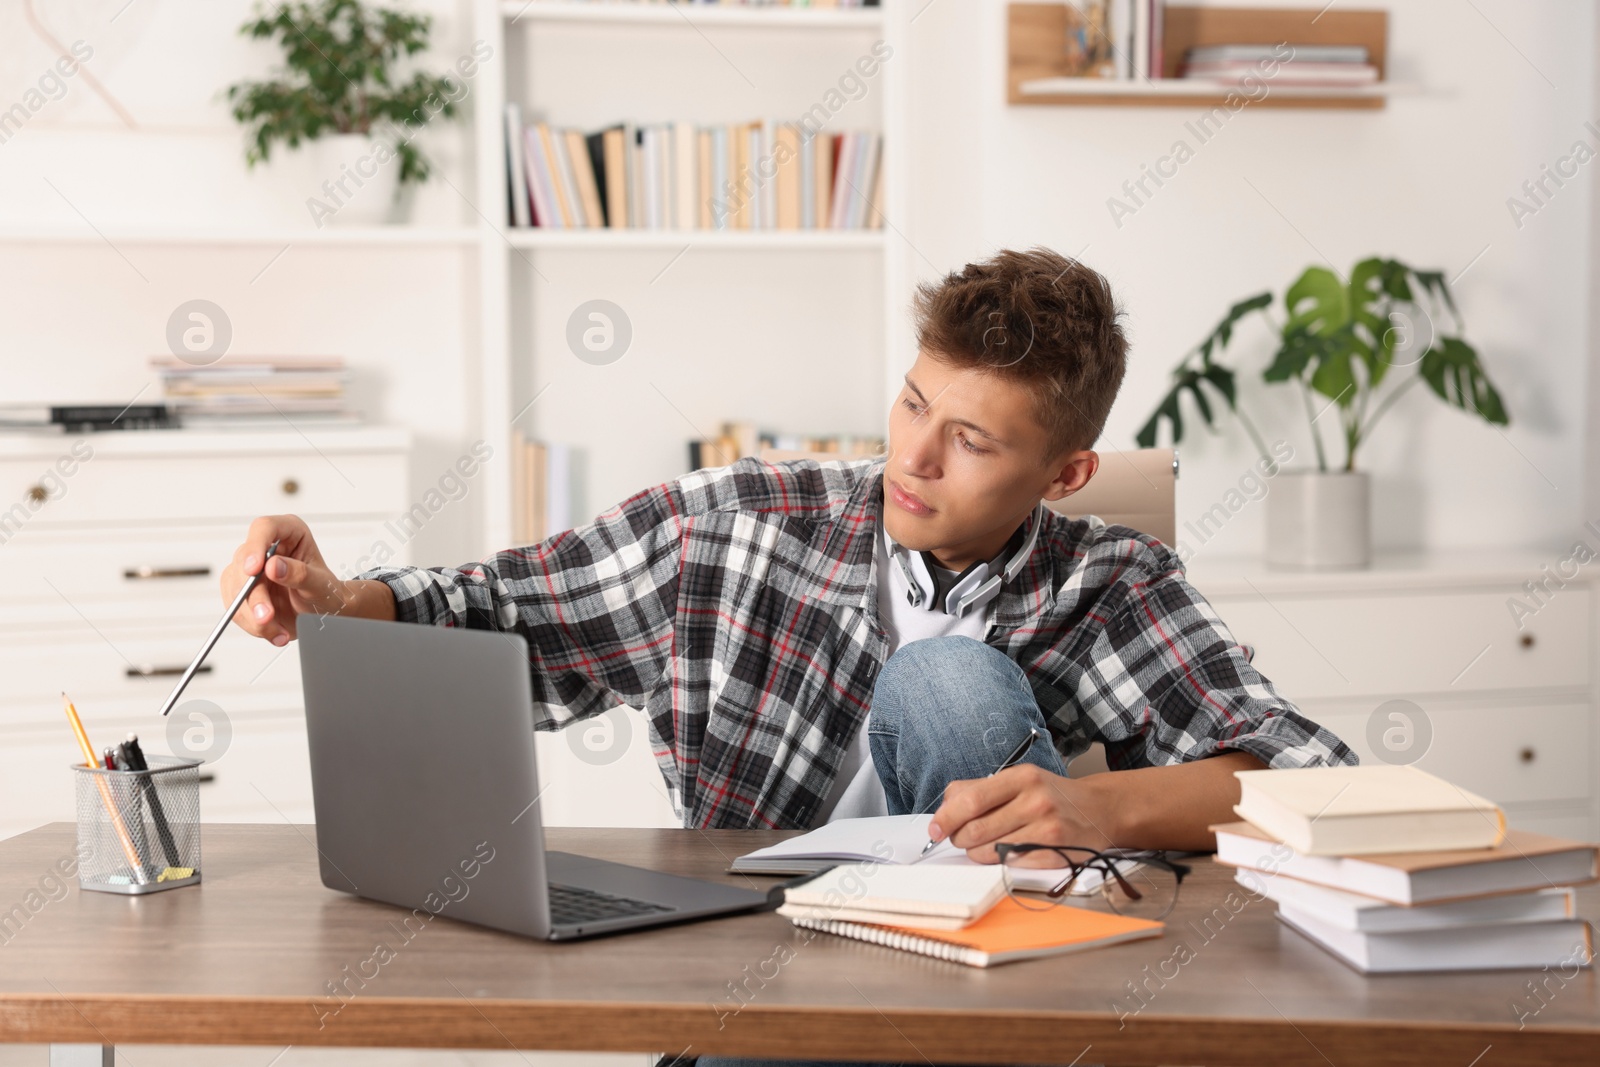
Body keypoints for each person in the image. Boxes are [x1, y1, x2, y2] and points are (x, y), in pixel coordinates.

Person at [221, 247, 1354, 868]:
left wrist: (1094, 809)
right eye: (914, 401)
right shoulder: (736, 522)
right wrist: (336, 599)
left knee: (942, 680)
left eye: (971, 438)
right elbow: (500, 613)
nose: (912, 454)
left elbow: (1309, 780)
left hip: (995, 962)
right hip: (756, 956)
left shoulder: (1106, 582)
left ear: (1063, 473)